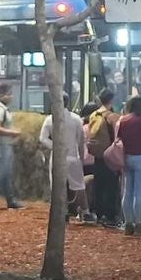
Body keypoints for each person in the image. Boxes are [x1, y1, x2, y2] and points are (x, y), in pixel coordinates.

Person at [40, 93, 95, 223]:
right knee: (79, 186)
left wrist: (56, 147)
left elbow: (42, 138)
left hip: (58, 157)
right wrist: (81, 158)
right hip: (73, 156)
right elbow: (81, 141)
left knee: (57, 186)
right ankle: (86, 212)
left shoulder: (50, 119)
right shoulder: (76, 119)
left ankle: (62, 212)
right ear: (68, 102)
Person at [117, 96, 141, 235]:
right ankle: (139, 224)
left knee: (127, 191)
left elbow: (119, 138)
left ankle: (128, 223)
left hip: (126, 157)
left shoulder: (123, 121)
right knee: (139, 193)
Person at [0, 84, 23, 211]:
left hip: (5, 144)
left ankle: (10, 199)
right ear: (1, 96)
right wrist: (13, 133)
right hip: (2, 145)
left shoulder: (2, 109)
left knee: (6, 173)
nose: (11, 97)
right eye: (9, 94)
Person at [87, 88, 120, 227]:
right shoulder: (112, 116)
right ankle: (110, 215)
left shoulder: (93, 115)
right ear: (111, 100)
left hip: (97, 155)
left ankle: (99, 214)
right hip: (110, 155)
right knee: (111, 185)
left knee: (99, 185)